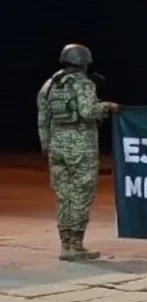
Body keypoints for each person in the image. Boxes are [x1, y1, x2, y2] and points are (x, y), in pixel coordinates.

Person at [36, 43, 118, 261]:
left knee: (64, 196)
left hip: (57, 147)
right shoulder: (82, 83)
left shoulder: (50, 84)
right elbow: (88, 111)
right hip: (81, 148)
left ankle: (65, 244)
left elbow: (43, 118)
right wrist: (106, 107)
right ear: (83, 62)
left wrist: (47, 146)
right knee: (81, 194)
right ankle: (76, 245)